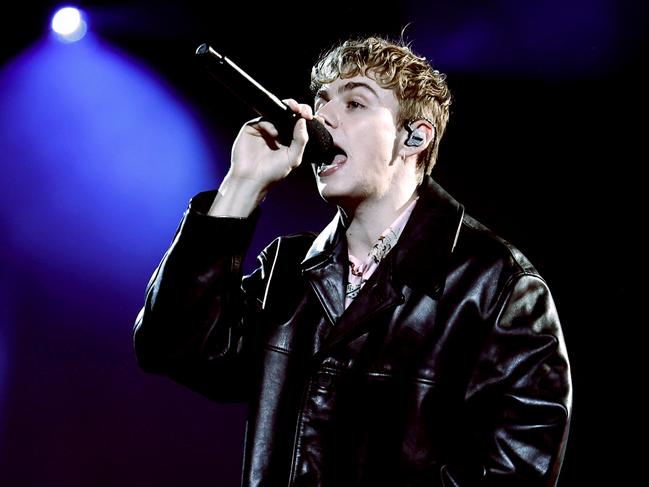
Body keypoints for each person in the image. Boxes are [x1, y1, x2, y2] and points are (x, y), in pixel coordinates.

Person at [133, 36, 572, 486]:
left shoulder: (496, 284)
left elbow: (519, 471)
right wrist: (241, 186)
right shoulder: (287, 269)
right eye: (321, 100)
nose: (322, 117)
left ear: (415, 136)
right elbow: (170, 346)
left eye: (356, 103)